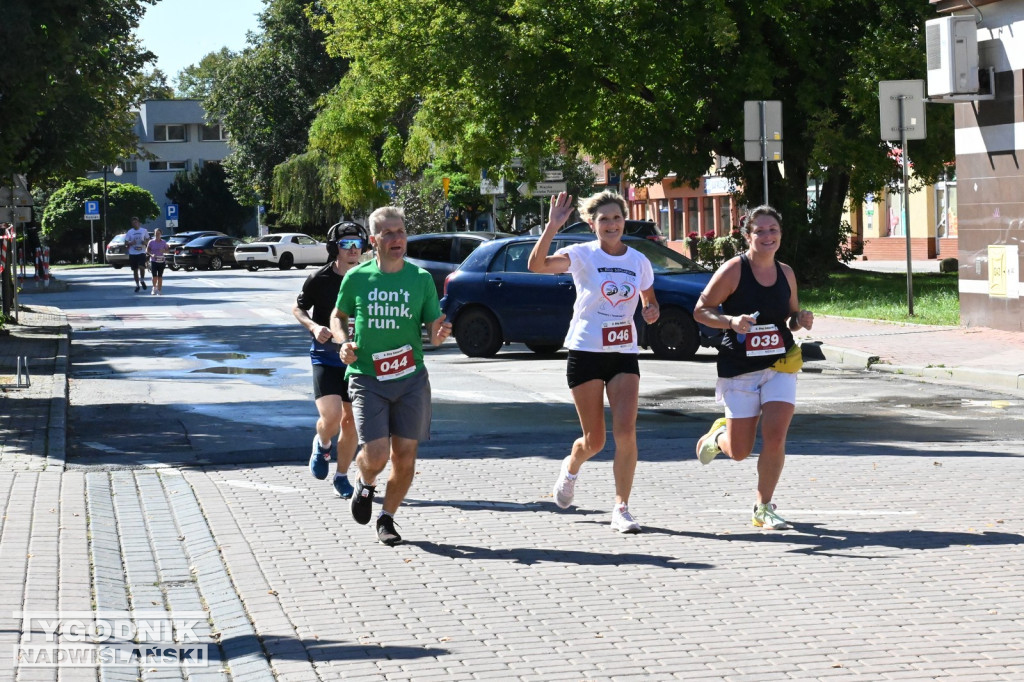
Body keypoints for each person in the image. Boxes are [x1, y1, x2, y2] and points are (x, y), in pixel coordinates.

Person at [528, 191, 660, 534]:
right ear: (592, 224)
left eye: (617, 218)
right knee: (595, 440)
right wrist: (551, 228)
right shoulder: (581, 255)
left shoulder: (639, 260)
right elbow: (536, 266)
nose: (612, 224)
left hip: (623, 353)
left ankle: (621, 508)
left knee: (626, 431)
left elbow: (648, 297)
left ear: (624, 220)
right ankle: (571, 468)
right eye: (604, 220)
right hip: (585, 351)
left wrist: (651, 310)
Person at [329, 206, 451, 546]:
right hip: (368, 377)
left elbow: (433, 327)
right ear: (374, 240)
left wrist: (439, 336)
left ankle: (388, 518)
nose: (397, 239)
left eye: (400, 232)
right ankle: (365, 483)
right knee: (378, 453)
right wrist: (343, 342)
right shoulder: (358, 278)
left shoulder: (420, 279)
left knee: (406, 456)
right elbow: (338, 316)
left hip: (411, 378)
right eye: (388, 233)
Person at [692, 205, 814, 530]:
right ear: (748, 236)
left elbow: (789, 317)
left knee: (775, 436)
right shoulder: (734, 270)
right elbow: (701, 311)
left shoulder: (786, 272)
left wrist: (799, 320)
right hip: (739, 367)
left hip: (780, 363)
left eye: (772, 230)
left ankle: (763, 506)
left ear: (781, 235)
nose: (767, 236)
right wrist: (731, 321)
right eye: (759, 231)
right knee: (740, 451)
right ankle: (719, 438)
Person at [293, 222, 368, 499]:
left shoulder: (368, 277)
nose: (352, 250)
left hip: (356, 361)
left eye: (357, 245)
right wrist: (313, 327)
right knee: (332, 417)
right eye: (346, 244)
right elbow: (298, 307)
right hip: (325, 356)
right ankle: (323, 442)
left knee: (351, 422)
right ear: (334, 247)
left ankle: (342, 475)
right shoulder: (319, 278)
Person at [124, 217, 149, 292]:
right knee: (135, 270)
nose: (135, 224)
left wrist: (145, 242)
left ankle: (142, 280)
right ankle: (137, 285)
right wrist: (131, 243)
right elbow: (125, 243)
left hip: (141, 251)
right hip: (133, 252)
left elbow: (148, 239)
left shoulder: (144, 230)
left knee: (142, 267)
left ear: (139, 223)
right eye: (133, 223)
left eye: (136, 222)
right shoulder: (130, 232)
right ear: (132, 224)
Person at [145, 228, 169, 296]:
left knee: (160, 276)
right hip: (153, 260)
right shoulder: (151, 242)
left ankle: (159, 290)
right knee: (154, 275)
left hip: (161, 260)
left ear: (161, 234)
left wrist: (163, 251)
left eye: (158, 233)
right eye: (156, 233)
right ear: (154, 234)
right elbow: (147, 251)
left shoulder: (163, 242)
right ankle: (154, 287)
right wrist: (151, 254)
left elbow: (168, 250)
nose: (157, 235)